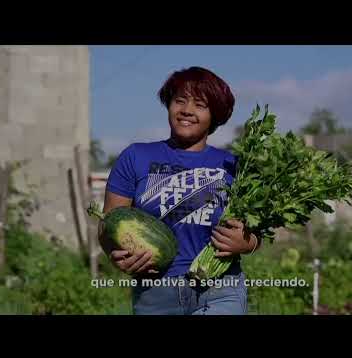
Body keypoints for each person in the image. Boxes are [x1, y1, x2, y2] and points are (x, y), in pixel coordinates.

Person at [98, 66, 260, 315]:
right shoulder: (135, 157)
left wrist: (248, 243)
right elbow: (108, 224)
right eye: (180, 101)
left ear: (215, 115)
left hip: (220, 290)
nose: (187, 110)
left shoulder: (235, 165)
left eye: (200, 105)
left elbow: (258, 230)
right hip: (155, 293)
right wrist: (115, 255)